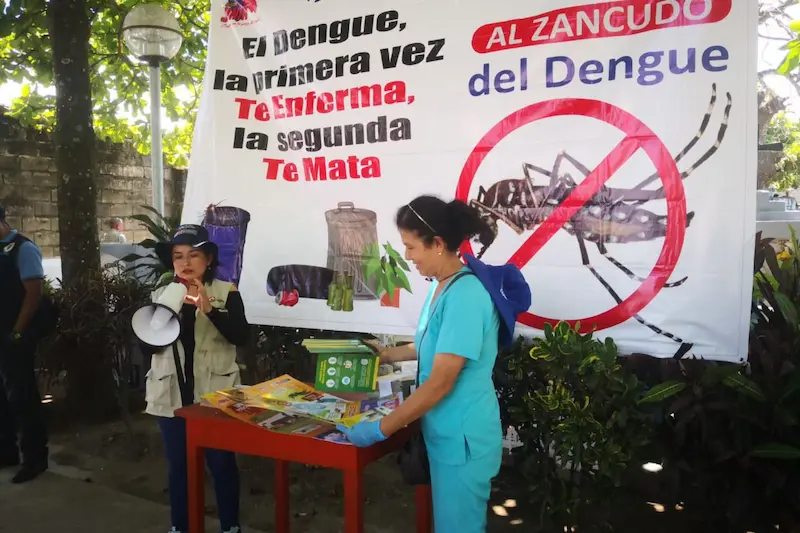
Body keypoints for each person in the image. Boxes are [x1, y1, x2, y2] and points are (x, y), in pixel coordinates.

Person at [338, 195, 531, 533]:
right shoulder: (443, 285)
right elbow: (433, 346)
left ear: (437, 244)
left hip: (463, 440)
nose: (408, 257)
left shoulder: (466, 295)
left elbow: (442, 380)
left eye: (411, 247)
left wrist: (382, 428)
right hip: (446, 434)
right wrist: (384, 354)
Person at [143, 224, 249, 533]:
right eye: (178, 256)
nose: (186, 262)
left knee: (222, 464)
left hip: (214, 393)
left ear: (209, 259)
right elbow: (148, 344)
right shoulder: (162, 295)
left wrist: (211, 311)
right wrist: (167, 313)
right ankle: (181, 526)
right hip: (171, 393)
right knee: (179, 467)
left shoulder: (226, 291)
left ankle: (230, 526)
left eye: (194, 254)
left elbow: (240, 336)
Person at [0, 204, 50, 484]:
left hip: (16, 334)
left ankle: (34, 458)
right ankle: (6, 451)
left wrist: (17, 333)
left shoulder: (23, 249)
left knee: (22, 397)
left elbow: (33, 297)